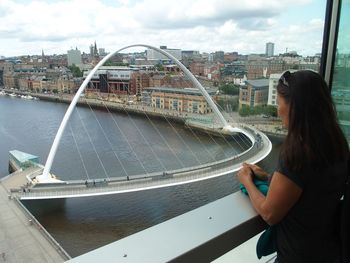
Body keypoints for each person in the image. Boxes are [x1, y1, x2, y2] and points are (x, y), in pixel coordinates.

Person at [237, 70, 349, 263]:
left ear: (293, 108)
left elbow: (269, 213)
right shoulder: (337, 144)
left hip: (298, 256)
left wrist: (247, 181)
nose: (278, 109)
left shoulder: (297, 154)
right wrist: (268, 177)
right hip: (330, 250)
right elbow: (309, 188)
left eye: (279, 103)